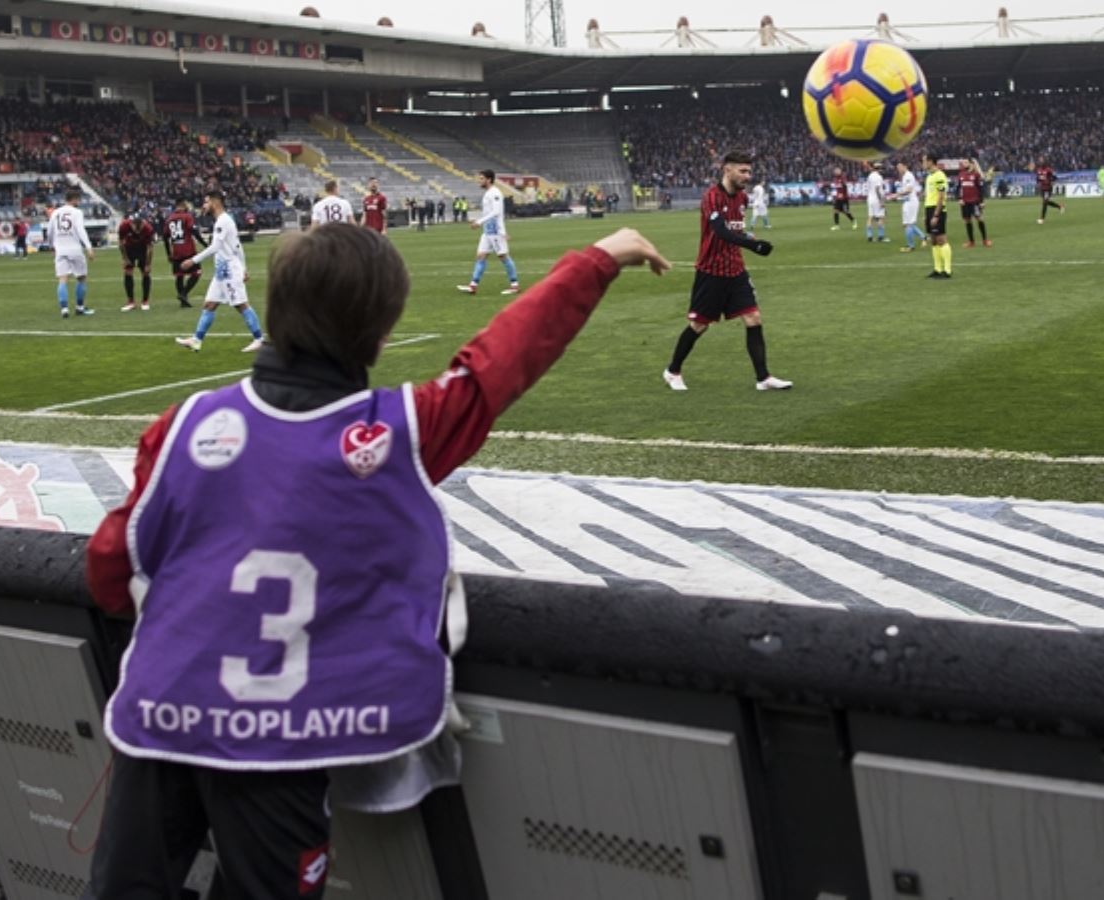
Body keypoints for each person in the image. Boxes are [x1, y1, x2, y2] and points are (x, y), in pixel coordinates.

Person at [82, 225, 668, 900]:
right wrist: (597, 259)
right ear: (382, 331)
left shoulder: (183, 424)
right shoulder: (400, 432)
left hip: (159, 720)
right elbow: (497, 364)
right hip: (279, 748)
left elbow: (108, 568)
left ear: (273, 311)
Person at [662, 151, 791, 393]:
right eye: (743, 171)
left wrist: (752, 238)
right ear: (727, 170)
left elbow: (736, 231)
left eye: (749, 171)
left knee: (753, 318)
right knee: (699, 325)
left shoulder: (742, 198)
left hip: (736, 270)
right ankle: (672, 371)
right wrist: (753, 245)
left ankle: (763, 378)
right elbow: (720, 231)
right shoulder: (711, 197)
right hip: (711, 272)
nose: (748, 176)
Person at [177, 190, 265, 353]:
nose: (204, 205)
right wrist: (244, 268)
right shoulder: (224, 220)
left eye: (206, 202)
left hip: (229, 270)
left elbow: (215, 247)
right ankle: (197, 340)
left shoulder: (223, 221)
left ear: (215, 202)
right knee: (209, 304)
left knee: (241, 305)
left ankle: (259, 339)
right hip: (222, 271)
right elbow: (238, 246)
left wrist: (193, 260)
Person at [456, 170, 519, 296]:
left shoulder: (495, 193)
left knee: (503, 256)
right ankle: (473, 285)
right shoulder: (488, 193)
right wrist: (480, 221)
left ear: (489, 180)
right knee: (481, 256)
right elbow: (489, 212)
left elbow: (496, 212)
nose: (479, 181)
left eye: (481, 178)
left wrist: (480, 222)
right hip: (487, 231)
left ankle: (514, 285)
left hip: (495, 230)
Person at [49, 188, 95, 317]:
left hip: (60, 250)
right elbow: (81, 230)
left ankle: (64, 309)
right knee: (81, 278)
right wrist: (89, 247)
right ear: (74, 199)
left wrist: (51, 245)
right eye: (78, 199)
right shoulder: (77, 212)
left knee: (62, 279)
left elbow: (50, 231)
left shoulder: (55, 213)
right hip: (74, 249)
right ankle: (80, 308)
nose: (79, 202)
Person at [164, 199, 204, 308]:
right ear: (182, 205)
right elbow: (194, 231)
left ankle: (183, 301)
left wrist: (168, 253)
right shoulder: (187, 216)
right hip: (188, 250)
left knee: (179, 276)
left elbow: (165, 237)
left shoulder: (169, 219)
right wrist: (205, 244)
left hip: (176, 251)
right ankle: (184, 293)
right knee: (197, 273)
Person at [118, 207, 156, 312]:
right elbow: (121, 243)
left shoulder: (148, 228)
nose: (138, 230)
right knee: (128, 272)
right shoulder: (124, 226)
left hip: (143, 249)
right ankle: (131, 302)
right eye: (135, 226)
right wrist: (125, 258)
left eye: (140, 225)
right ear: (131, 223)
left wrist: (148, 264)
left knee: (145, 273)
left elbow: (150, 248)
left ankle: (145, 301)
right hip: (129, 248)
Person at [923, 153, 952, 279]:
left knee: (941, 239)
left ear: (930, 162)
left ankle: (947, 270)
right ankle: (937, 269)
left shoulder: (940, 175)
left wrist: (936, 214)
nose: (923, 164)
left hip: (937, 210)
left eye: (924, 161)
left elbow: (941, 196)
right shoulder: (930, 176)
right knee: (934, 240)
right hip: (929, 209)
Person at [958, 159, 991, 248]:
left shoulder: (976, 175)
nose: (964, 164)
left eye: (966, 162)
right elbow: (959, 188)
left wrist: (982, 201)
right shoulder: (961, 174)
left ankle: (985, 240)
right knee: (967, 220)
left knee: (979, 219)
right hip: (965, 202)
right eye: (963, 162)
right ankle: (971, 242)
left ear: (971, 164)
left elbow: (981, 189)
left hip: (975, 202)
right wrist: (959, 198)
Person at [896, 161, 924, 253]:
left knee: (909, 225)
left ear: (905, 166)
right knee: (906, 224)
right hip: (906, 202)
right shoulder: (904, 176)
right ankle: (923, 237)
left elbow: (909, 190)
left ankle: (910, 246)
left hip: (911, 202)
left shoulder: (908, 175)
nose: (898, 170)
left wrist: (896, 194)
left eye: (900, 167)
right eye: (897, 168)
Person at [864, 162, 888, 243]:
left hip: (870, 198)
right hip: (877, 199)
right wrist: (881, 201)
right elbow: (877, 189)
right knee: (881, 217)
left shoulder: (870, 176)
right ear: (879, 168)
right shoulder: (879, 177)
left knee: (870, 217)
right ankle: (881, 237)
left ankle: (869, 236)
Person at [1035, 158, 1064, 224]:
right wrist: (1037, 184)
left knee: (1045, 202)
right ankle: (1060, 206)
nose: (1041, 163)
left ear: (1045, 163)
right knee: (1046, 202)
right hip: (1042, 188)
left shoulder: (1049, 170)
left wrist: (1051, 181)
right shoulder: (1038, 170)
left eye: (1042, 162)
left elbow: (1055, 177)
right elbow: (1038, 178)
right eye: (1040, 162)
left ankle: (1042, 219)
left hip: (1048, 188)